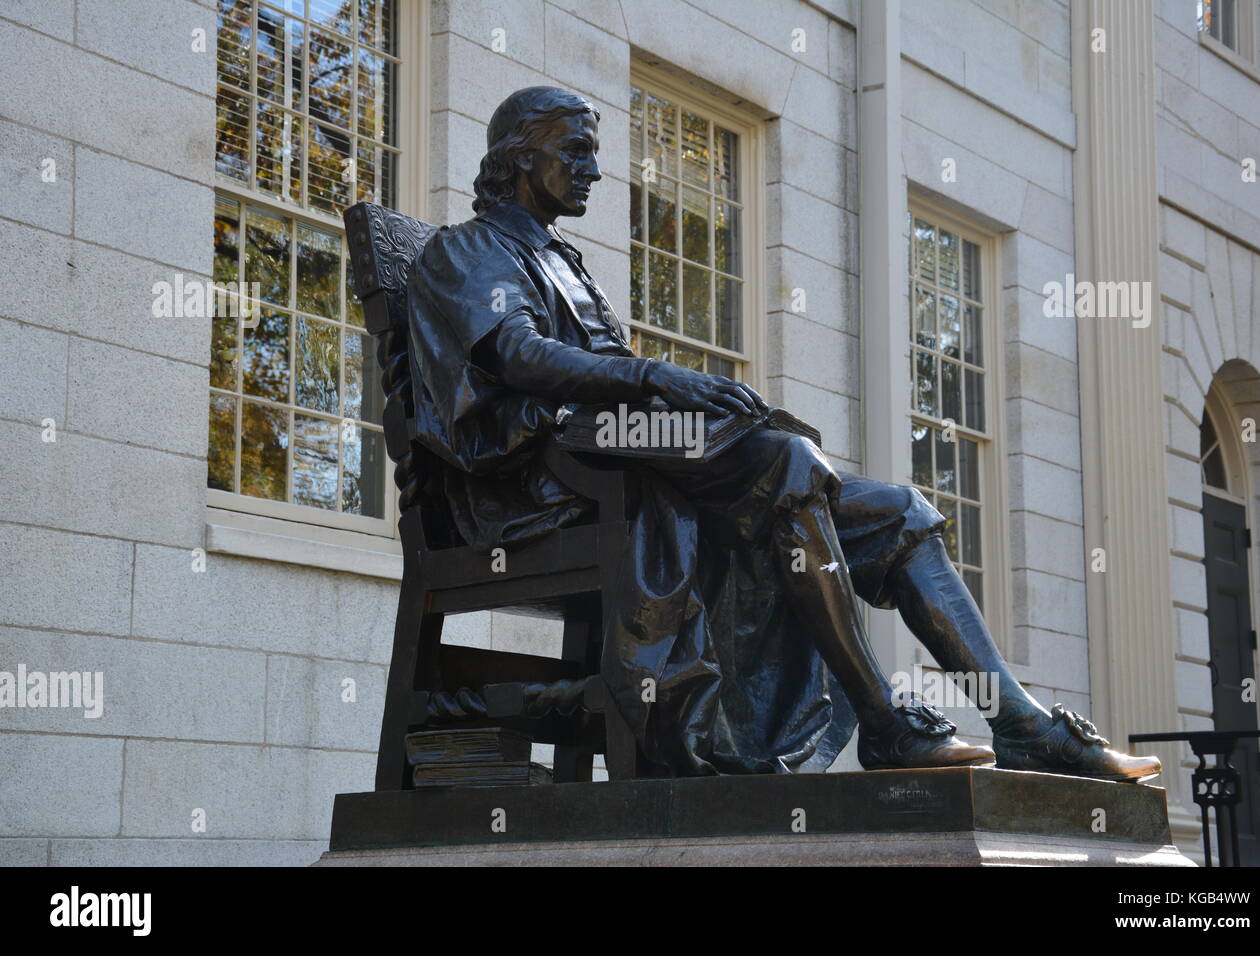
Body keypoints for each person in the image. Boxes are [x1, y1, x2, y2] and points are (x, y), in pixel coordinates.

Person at [405, 86, 1160, 782]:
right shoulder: (469, 249)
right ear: (516, 157)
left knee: (898, 511)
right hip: (542, 483)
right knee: (787, 462)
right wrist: (659, 378)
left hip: (620, 453)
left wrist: (675, 393)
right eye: (575, 151)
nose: (595, 170)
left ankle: (1021, 720)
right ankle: (883, 719)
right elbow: (519, 356)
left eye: (592, 152)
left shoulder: (564, 262)